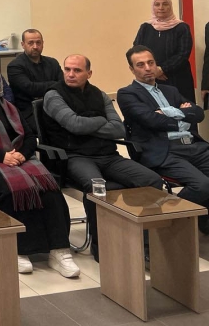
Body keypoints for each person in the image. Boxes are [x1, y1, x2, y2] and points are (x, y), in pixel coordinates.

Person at [0, 64, 78, 277]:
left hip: (18, 158)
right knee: (14, 190)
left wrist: (22, 154)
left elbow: (29, 136)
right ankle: (19, 249)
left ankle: (59, 250)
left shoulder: (9, 107)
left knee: (50, 189)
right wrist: (1, 156)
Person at [42, 54, 164, 261]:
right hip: (75, 156)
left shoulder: (99, 94)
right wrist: (100, 120)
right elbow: (74, 125)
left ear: (89, 73)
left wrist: (88, 124)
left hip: (108, 155)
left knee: (151, 180)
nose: (70, 74)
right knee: (98, 187)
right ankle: (101, 245)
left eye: (77, 70)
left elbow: (118, 129)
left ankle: (145, 242)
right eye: (67, 69)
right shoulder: (53, 95)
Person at [117, 46, 209, 234]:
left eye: (150, 63)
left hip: (193, 145)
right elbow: (151, 120)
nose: (147, 68)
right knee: (202, 185)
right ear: (132, 69)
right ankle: (164, 221)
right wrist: (182, 114)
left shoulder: (170, 90)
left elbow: (198, 114)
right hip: (164, 151)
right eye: (140, 65)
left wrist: (167, 112)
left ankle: (204, 224)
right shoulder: (127, 93)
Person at [133, 0, 196, 102]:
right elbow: (137, 50)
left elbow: (183, 53)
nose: (161, 8)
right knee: (154, 108)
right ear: (153, 7)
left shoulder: (182, 27)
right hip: (150, 77)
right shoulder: (145, 27)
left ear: (170, 6)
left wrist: (162, 69)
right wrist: (154, 70)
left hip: (177, 77)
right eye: (157, 4)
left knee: (182, 107)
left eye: (165, 4)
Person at [7, 29, 62, 130]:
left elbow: (63, 85)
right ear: (23, 45)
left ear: (43, 43)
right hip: (29, 111)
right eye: (30, 43)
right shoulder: (14, 66)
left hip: (54, 105)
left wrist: (55, 86)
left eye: (38, 42)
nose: (35, 46)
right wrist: (55, 84)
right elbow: (30, 89)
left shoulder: (52, 63)